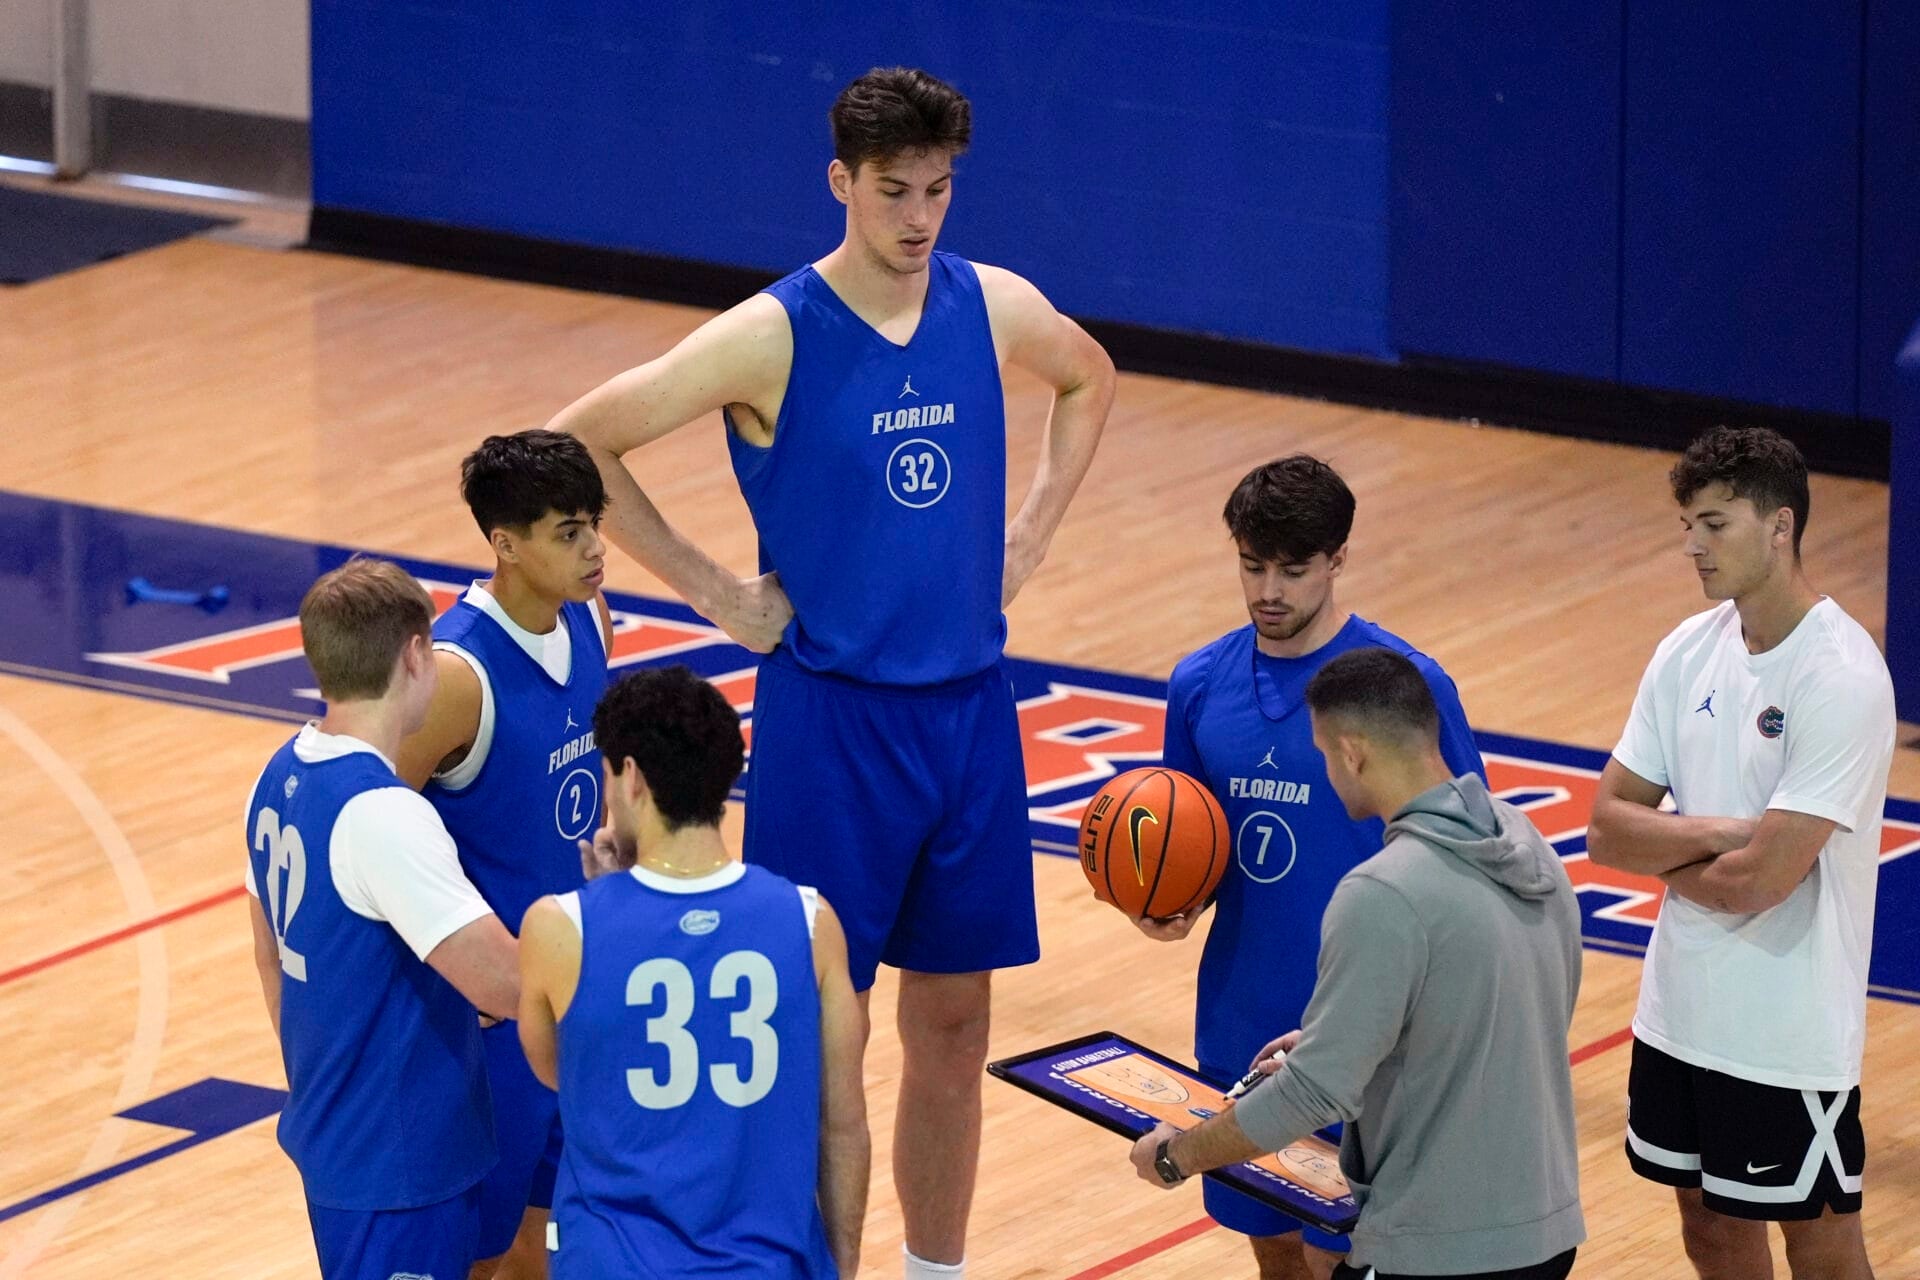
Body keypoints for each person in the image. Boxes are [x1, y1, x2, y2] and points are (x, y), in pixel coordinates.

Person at [551, 66, 1113, 1278]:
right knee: (817, 1032)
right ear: (840, 183)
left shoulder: (994, 302)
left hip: (968, 715)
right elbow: (579, 440)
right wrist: (708, 587)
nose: (920, 217)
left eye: (941, 190)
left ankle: (935, 1268)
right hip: (833, 726)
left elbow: (1088, 375)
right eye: (896, 190)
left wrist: (1034, 529)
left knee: (954, 1026)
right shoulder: (773, 331)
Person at [1128, 646, 1586, 1280]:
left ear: (1351, 752)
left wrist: (1179, 1154)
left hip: (1438, 1246)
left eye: (1321, 753)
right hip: (1545, 1227)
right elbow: (1523, 1007)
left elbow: (1311, 1095)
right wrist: (1349, 1034)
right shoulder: (1524, 840)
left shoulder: (1382, 892)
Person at [1144, 456, 1484, 1279]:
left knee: (1355, 1259)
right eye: (1252, 565)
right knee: (1275, 1254)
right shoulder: (1198, 685)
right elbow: (1188, 845)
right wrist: (1167, 901)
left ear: (1338, 560)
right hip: (1242, 1017)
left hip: (1369, 1029)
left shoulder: (1405, 688)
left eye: (1293, 570)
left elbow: (1469, 853)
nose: (1269, 589)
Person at [1586, 426, 1895, 1280]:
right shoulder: (1686, 651)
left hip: (1786, 1035)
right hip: (1677, 1013)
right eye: (1688, 523)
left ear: (1780, 525)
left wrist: (1675, 853)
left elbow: (1763, 882)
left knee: (1823, 1249)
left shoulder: (1842, 675)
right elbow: (1606, 828)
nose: (1693, 545)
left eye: (1715, 524)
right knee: (1710, 1234)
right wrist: (1722, 832)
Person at [518, 666, 870, 1278]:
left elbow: (560, 1071)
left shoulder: (557, 928)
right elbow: (842, 1129)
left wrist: (610, 905)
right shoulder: (813, 924)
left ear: (631, 779)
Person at [244, 557, 522, 1279]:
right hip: (401, 1164)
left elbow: (270, 954)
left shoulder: (275, 776)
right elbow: (506, 987)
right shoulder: (386, 813)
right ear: (416, 655)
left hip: (342, 1138)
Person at [392, 428, 614, 1279]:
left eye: (593, 523)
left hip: (576, 998)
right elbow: (373, 833)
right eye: (568, 532)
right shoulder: (457, 677)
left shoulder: (589, 616)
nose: (594, 548)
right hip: (488, 1034)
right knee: (476, 1261)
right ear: (504, 545)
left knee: (545, 1244)